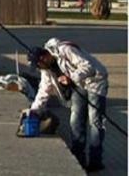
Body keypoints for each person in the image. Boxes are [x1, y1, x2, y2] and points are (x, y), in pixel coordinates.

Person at [28, 39, 109, 171]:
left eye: (38, 65)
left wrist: (70, 77)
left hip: (96, 82)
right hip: (79, 86)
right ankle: (78, 157)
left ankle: (95, 161)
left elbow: (88, 66)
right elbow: (44, 90)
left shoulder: (65, 50)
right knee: (75, 120)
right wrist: (34, 110)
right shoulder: (46, 69)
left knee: (95, 121)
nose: (38, 68)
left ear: (44, 58)